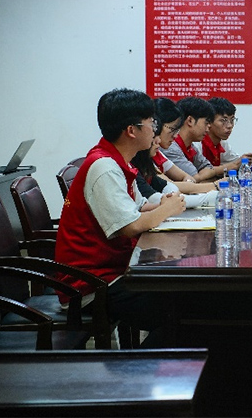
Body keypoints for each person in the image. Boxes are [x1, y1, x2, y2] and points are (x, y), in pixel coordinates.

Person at [54, 88, 186, 347]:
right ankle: (139, 377)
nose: (154, 130)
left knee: (178, 302)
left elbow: (141, 206)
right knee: (175, 314)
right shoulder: (104, 167)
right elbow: (131, 226)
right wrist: (167, 209)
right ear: (131, 130)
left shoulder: (118, 162)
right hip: (92, 285)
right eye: (152, 123)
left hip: (113, 271)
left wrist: (165, 203)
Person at [131, 117, 219, 208]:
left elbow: (167, 185)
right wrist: (212, 194)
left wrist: (175, 196)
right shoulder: (129, 166)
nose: (159, 141)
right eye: (154, 136)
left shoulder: (148, 159)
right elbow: (155, 199)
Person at [161, 96, 239, 181]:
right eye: (206, 122)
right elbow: (193, 179)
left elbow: (208, 168)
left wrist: (207, 174)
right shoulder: (171, 147)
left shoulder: (191, 147)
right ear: (190, 121)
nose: (209, 126)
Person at [192, 97, 252, 166]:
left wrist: (245, 160)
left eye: (232, 120)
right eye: (224, 120)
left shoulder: (222, 143)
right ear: (209, 121)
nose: (229, 126)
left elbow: (236, 161)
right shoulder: (197, 144)